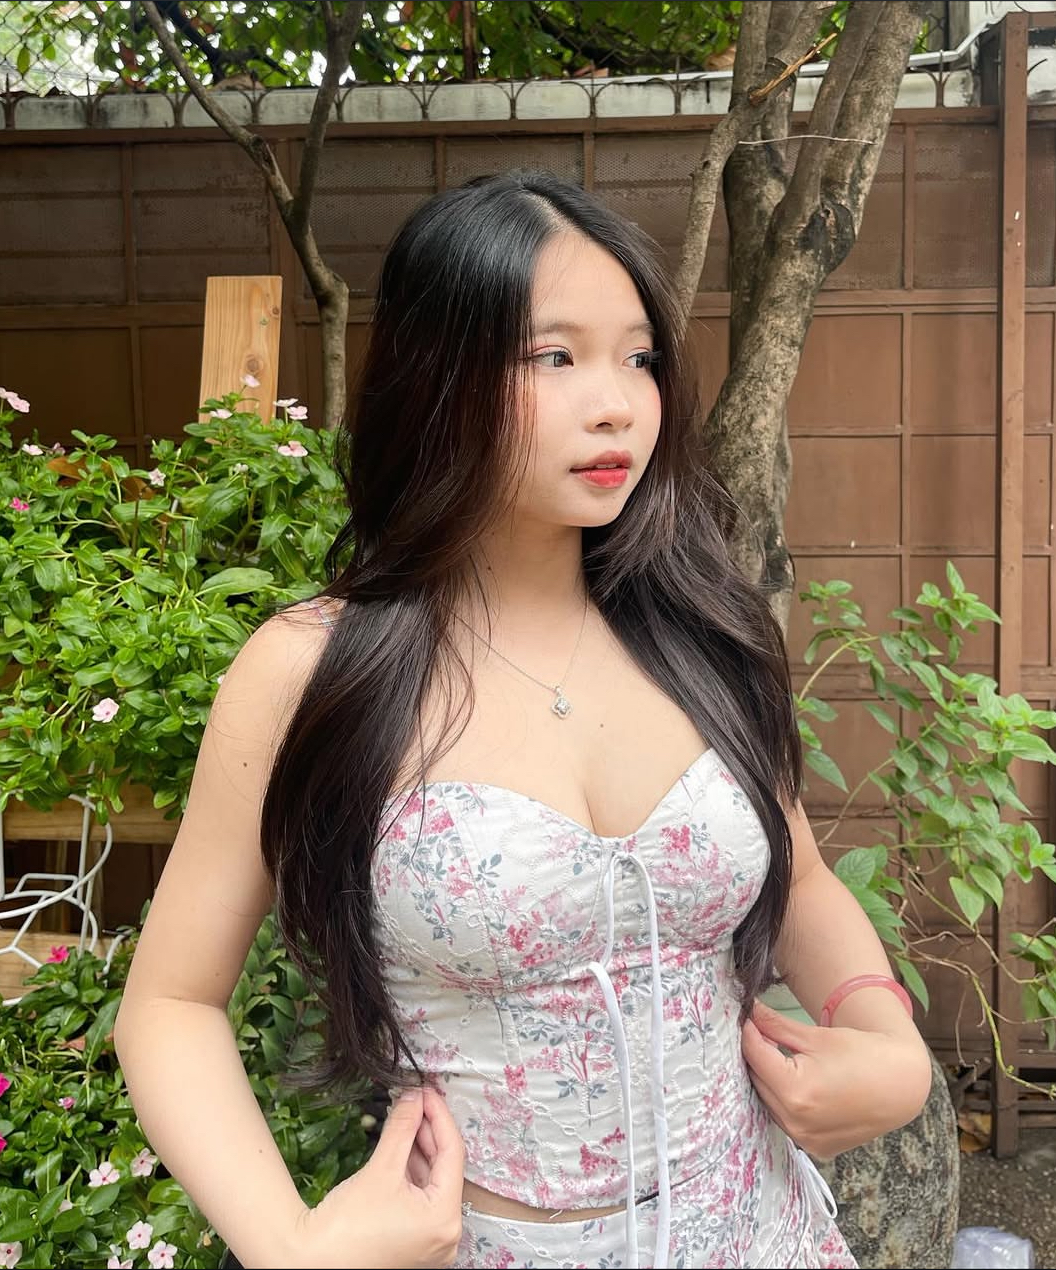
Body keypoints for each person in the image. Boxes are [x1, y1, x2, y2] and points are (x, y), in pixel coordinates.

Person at [115, 169, 933, 1270]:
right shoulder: (313, 670)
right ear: (436, 372)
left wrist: (883, 1030)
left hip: (766, 1235)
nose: (616, 403)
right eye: (554, 357)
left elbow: (803, 879)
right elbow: (170, 1003)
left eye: (638, 357)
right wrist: (290, 1246)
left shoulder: (698, 628)